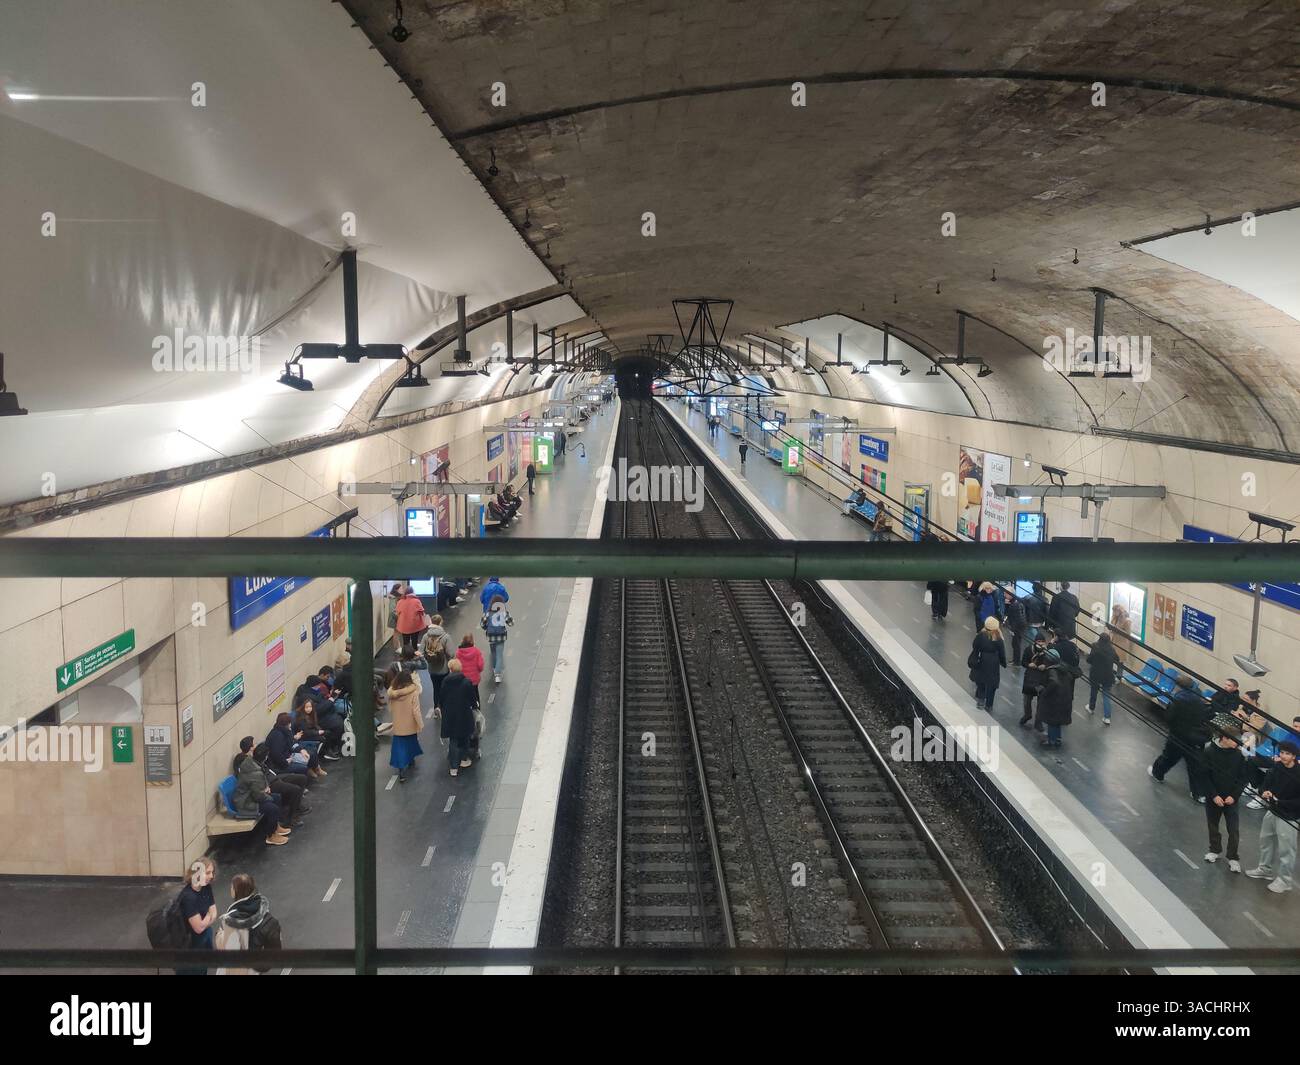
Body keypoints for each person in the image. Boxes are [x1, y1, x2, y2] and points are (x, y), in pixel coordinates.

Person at [1148, 674, 1213, 802]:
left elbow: (1169, 718)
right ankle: (1198, 794)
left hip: (1178, 735)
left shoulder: (1178, 699)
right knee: (1195, 765)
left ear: (1178, 686)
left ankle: (1157, 774)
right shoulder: (1199, 699)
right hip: (1196, 738)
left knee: (1168, 757)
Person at [1246, 741, 1300, 893]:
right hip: (1273, 810)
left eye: (1287, 753)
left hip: (1289, 816)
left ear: (1294, 756)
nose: (1283, 756)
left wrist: (1280, 801)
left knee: (1286, 850)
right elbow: (1266, 783)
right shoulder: (1277, 767)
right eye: (1281, 752)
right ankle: (1265, 869)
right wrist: (1264, 791)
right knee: (1266, 840)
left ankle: (1285, 881)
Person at [1202, 721, 1250, 873]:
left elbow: (1243, 778)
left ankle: (1233, 857)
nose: (1238, 743)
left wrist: (1234, 796)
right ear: (1224, 738)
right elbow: (1204, 776)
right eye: (1234, 740)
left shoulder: (1239, 756)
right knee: (1213, 825)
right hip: (1213, 798)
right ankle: (1214, 850)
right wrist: (1214, 795)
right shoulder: (1209, 752)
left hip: (1231, 799)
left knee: (1234, 829)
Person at [214, 873, 283, 975]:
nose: (231, 889)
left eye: (232, 887)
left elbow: (227, 948)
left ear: (235, 891)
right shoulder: (262, 910)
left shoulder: (232, 920)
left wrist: (219, 934)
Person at [234, 737, 307, 825]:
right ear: (251, 748)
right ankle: (292, 817)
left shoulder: (253, 757)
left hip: (272, 777)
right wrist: (265, 786)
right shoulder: (245, 761)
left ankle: (296, 806)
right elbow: (254, 779)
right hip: (268, 783)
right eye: (254, 744)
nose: (256, 745)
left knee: (301, 778)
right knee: (295, 789)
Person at [233, 741, 293, 845]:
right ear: (265, 757)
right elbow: (258, 796)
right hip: (246, 803)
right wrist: (267, 795)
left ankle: (275, 827)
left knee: (277, 797)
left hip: (250, 796)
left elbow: (260, 782)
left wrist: (266, 788)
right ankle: (270, 836)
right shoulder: (254, 772)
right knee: (272, 808)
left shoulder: (253, 763)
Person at [177, 857, 218, 975]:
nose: (211, 876)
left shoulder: (206, 887)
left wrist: (204, 921)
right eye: (208, 873)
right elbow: (198, 928)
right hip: (189, 948)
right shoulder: (188, 897)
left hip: (203, 942)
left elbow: (214, 912)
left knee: (203, 970)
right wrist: (207, 918)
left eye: (212, 872)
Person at [441, 659, 478, 777]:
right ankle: (464, 759)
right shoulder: (466, 682)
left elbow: (441, 699)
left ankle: (453, 767)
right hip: (464, 715)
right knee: (465, 737)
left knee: (453, 740)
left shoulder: (445, 682)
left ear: (450, 669)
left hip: (450, 715)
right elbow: (473, 699)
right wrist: (474, 705)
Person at [386, 668, 424, 784]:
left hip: (398, 724)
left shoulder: (392, 692)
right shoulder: (413, 692)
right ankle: (411, 759)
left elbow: (390, 708)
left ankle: (401, 770)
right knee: (411, 741)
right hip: (410, 723)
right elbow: (416, 710)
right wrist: (420, 723)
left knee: (399, 746)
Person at [267, 711, 325, 780]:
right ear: (287, 724)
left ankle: (316, 769)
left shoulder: (286, 731)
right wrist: (286, 762)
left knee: (311, 753)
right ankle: (304, 780)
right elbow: (276, 754)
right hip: (282, 763)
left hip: (289, 754)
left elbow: (292, 744)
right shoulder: (277, 736)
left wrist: (301, 750)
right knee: (302, 767)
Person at [968, 616, 1007, 712]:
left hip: (982, 659)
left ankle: (981, 701)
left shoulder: (981, 635)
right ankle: (989, 704)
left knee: (981, 681)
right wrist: (1003, 662)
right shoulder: (998, 637)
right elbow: (1002, 652)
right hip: (994, 662)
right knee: (992, 684)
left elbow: (974, 645)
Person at [1037, 648, 1073, 748]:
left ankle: (1051, 740)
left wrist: (1044, 692)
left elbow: (1054, 682)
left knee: (1051, 721)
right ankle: (1057, 739)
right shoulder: (1064, 669)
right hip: (1065, 699)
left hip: (1054, 700)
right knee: (1057, 722)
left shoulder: (1052, 671)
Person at [1086, 632, 1120, 725]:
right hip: (1108, 675)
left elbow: (1089, 660)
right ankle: (1107, 717)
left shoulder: (1095, 647)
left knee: (1094, 691)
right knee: (1106, 695)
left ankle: (1091, 708)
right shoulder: (1112, 649)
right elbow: (1117, 659)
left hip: (1095, 674)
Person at [422, 613, 454, 712]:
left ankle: (436, 707)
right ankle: (444, 707)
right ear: (440, 623)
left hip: (432, 668)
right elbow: (451, 653)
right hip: (444, 668)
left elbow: (421, 650)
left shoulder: (426, 636)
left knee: (436, 688)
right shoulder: (445, 636)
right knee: (444, 687)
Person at [1020, 632, 1051, 730]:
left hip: (1041, 680)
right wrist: (1029, 664)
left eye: (1042, 641)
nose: (1041, 643)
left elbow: (1051, 664)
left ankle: (1038, 722)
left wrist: (1045, 666)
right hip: (1030, 679)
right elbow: (1023, 662)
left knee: (1041, 702)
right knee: (1027, 700)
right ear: (1035, 642)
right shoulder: (1029, 650)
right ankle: (1027, 715)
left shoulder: (1048, 653)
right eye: (1039, 641)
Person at [481, 595, 514, 684]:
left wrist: (486, 628)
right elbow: (511, 623)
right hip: (501, 636)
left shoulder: (488, 613)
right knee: (499, 655)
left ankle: (494, 668)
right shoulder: (504, 613)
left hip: (491, 636)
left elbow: (482, 624)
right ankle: (498, 675)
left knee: (493, 653)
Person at [394, 586, 428, 654]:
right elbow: (421, 611)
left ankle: (405, 655)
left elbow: (397, 612)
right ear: (413, 592)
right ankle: (414, 655)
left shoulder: (400, 601)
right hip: (414, 625)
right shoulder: (416, 601)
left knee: (405, 642)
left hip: (404, 626)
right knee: (414, 640)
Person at [457, 633, 485, 707]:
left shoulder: (459, 652)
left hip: (464, 679)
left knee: (466, 695)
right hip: (474, 678)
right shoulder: (476, 651)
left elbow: (457, 666)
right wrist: (479, 671)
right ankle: (477, 709)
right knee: (475, 693)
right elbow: (480, 665)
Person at [1003, 588, 1027, 666]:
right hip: (1020, 627)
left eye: (1006, 594)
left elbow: (1016, 619)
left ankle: (1016, 661)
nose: (1004, 595)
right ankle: (1016, 660)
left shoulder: (1014, 605)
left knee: (1016, 644)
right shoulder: (1016, 602)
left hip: (1017, 628)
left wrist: (1013, 629)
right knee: (1015, 643)